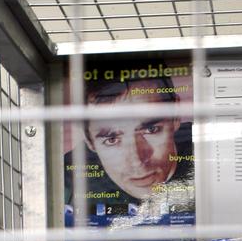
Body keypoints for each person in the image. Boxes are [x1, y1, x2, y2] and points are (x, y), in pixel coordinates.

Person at [64, 72, 194, 228]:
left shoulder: (210, 152)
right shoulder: (66, 180)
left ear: (176, 116)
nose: (136, 161)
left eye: (151, 129)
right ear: (89, 141)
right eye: (111, 139)